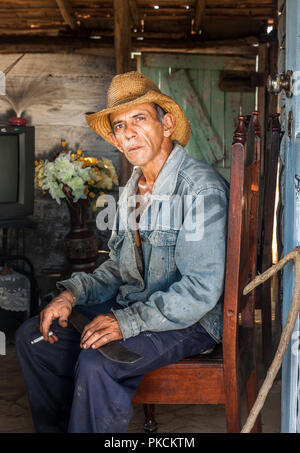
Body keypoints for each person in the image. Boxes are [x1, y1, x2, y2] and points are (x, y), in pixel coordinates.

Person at [16, 71, 229, 433]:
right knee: (34, 338)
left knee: (98, 362)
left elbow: (200, 291)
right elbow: (118, 266)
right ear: (115, 140)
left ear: (167, 123)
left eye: (139, 119)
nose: (128, 133)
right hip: (140, 304)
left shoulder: (199, 189)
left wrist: (125, 323)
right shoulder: (132, 189)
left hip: (192, 322)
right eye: (119, 126)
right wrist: (71, 294)